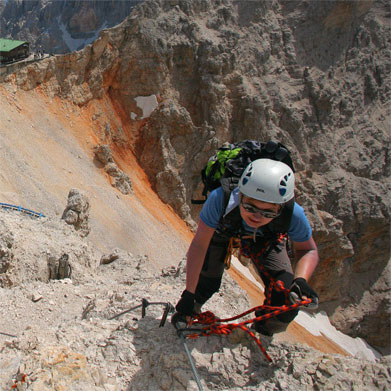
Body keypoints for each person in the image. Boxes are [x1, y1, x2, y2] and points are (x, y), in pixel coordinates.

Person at [175, 158, 319, 335]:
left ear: (280, 208)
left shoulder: (293, 214)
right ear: (240, 195)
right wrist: (189, 294)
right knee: (207, 281)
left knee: (286, 301)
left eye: (267, 212)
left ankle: (262, 332)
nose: (257, 217)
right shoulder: (220, 199)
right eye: (250, 206)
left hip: (266, 239)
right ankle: (188, 312)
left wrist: (301, 280)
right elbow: (200, 244)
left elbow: (308, 249)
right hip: (225, 231)